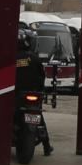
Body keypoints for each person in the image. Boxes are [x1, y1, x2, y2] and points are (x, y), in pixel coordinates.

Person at [15, 26, 54, 156]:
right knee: (39, 116)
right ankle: (46, 146)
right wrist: (40, 90)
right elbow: (42, 77)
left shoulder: (11, 58)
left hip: (16, 95)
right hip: (33, 94)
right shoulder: (35, 58)